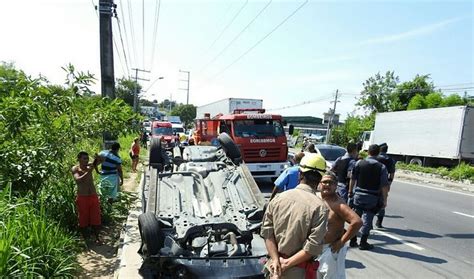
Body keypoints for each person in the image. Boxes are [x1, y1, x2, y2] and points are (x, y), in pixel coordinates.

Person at [261, 153, 329, 279]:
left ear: (300, 174)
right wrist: (286, 264)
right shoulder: (320, 208)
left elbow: (267, 233)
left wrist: (276, 261)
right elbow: (312, 247)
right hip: (297, 272)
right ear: (320, 180)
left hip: (274, 269)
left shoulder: (278, 199)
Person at [317, 173, 362, 279]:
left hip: (330, 249)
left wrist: (341, 242)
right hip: (315, 248)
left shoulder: (337, 204)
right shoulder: (316, 197)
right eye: (324, 182)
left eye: (330, 182)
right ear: (320, 184)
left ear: (336, 185)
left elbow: (357, 222)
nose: (327, 185)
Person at [348, 144, 389, 250]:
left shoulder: (359, 163)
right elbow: (384, 185)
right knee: (367, 219)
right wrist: (384, 200)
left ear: (368, 152)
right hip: (372, 197)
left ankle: (352, 240)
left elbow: (353, 178)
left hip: (358, 195)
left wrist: (350, 192)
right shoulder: (381, 167)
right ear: (378, 153)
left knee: (356, 218)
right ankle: (363, 242)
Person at [71, 151, 101, 243]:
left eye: (87, 158)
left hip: (93, 196)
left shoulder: (90, 165)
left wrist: (97, 157)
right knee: (83, 219)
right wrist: (89, 172)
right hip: (82, 197)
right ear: (79, 159)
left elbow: (102, 160)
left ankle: (97, 238)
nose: (86, 160)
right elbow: (78, 180)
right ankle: (85, 240)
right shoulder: (75, 168)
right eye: (84, 158)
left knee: (96, 218)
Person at [375, 142, 396, 228]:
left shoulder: (376, 158)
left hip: (374, 183)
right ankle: (379, 222)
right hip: (384, 184)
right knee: (383, 202)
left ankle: (368, 223)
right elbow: (392, 173)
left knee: (371, 202)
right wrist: (389, 183)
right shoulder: (390, 160)